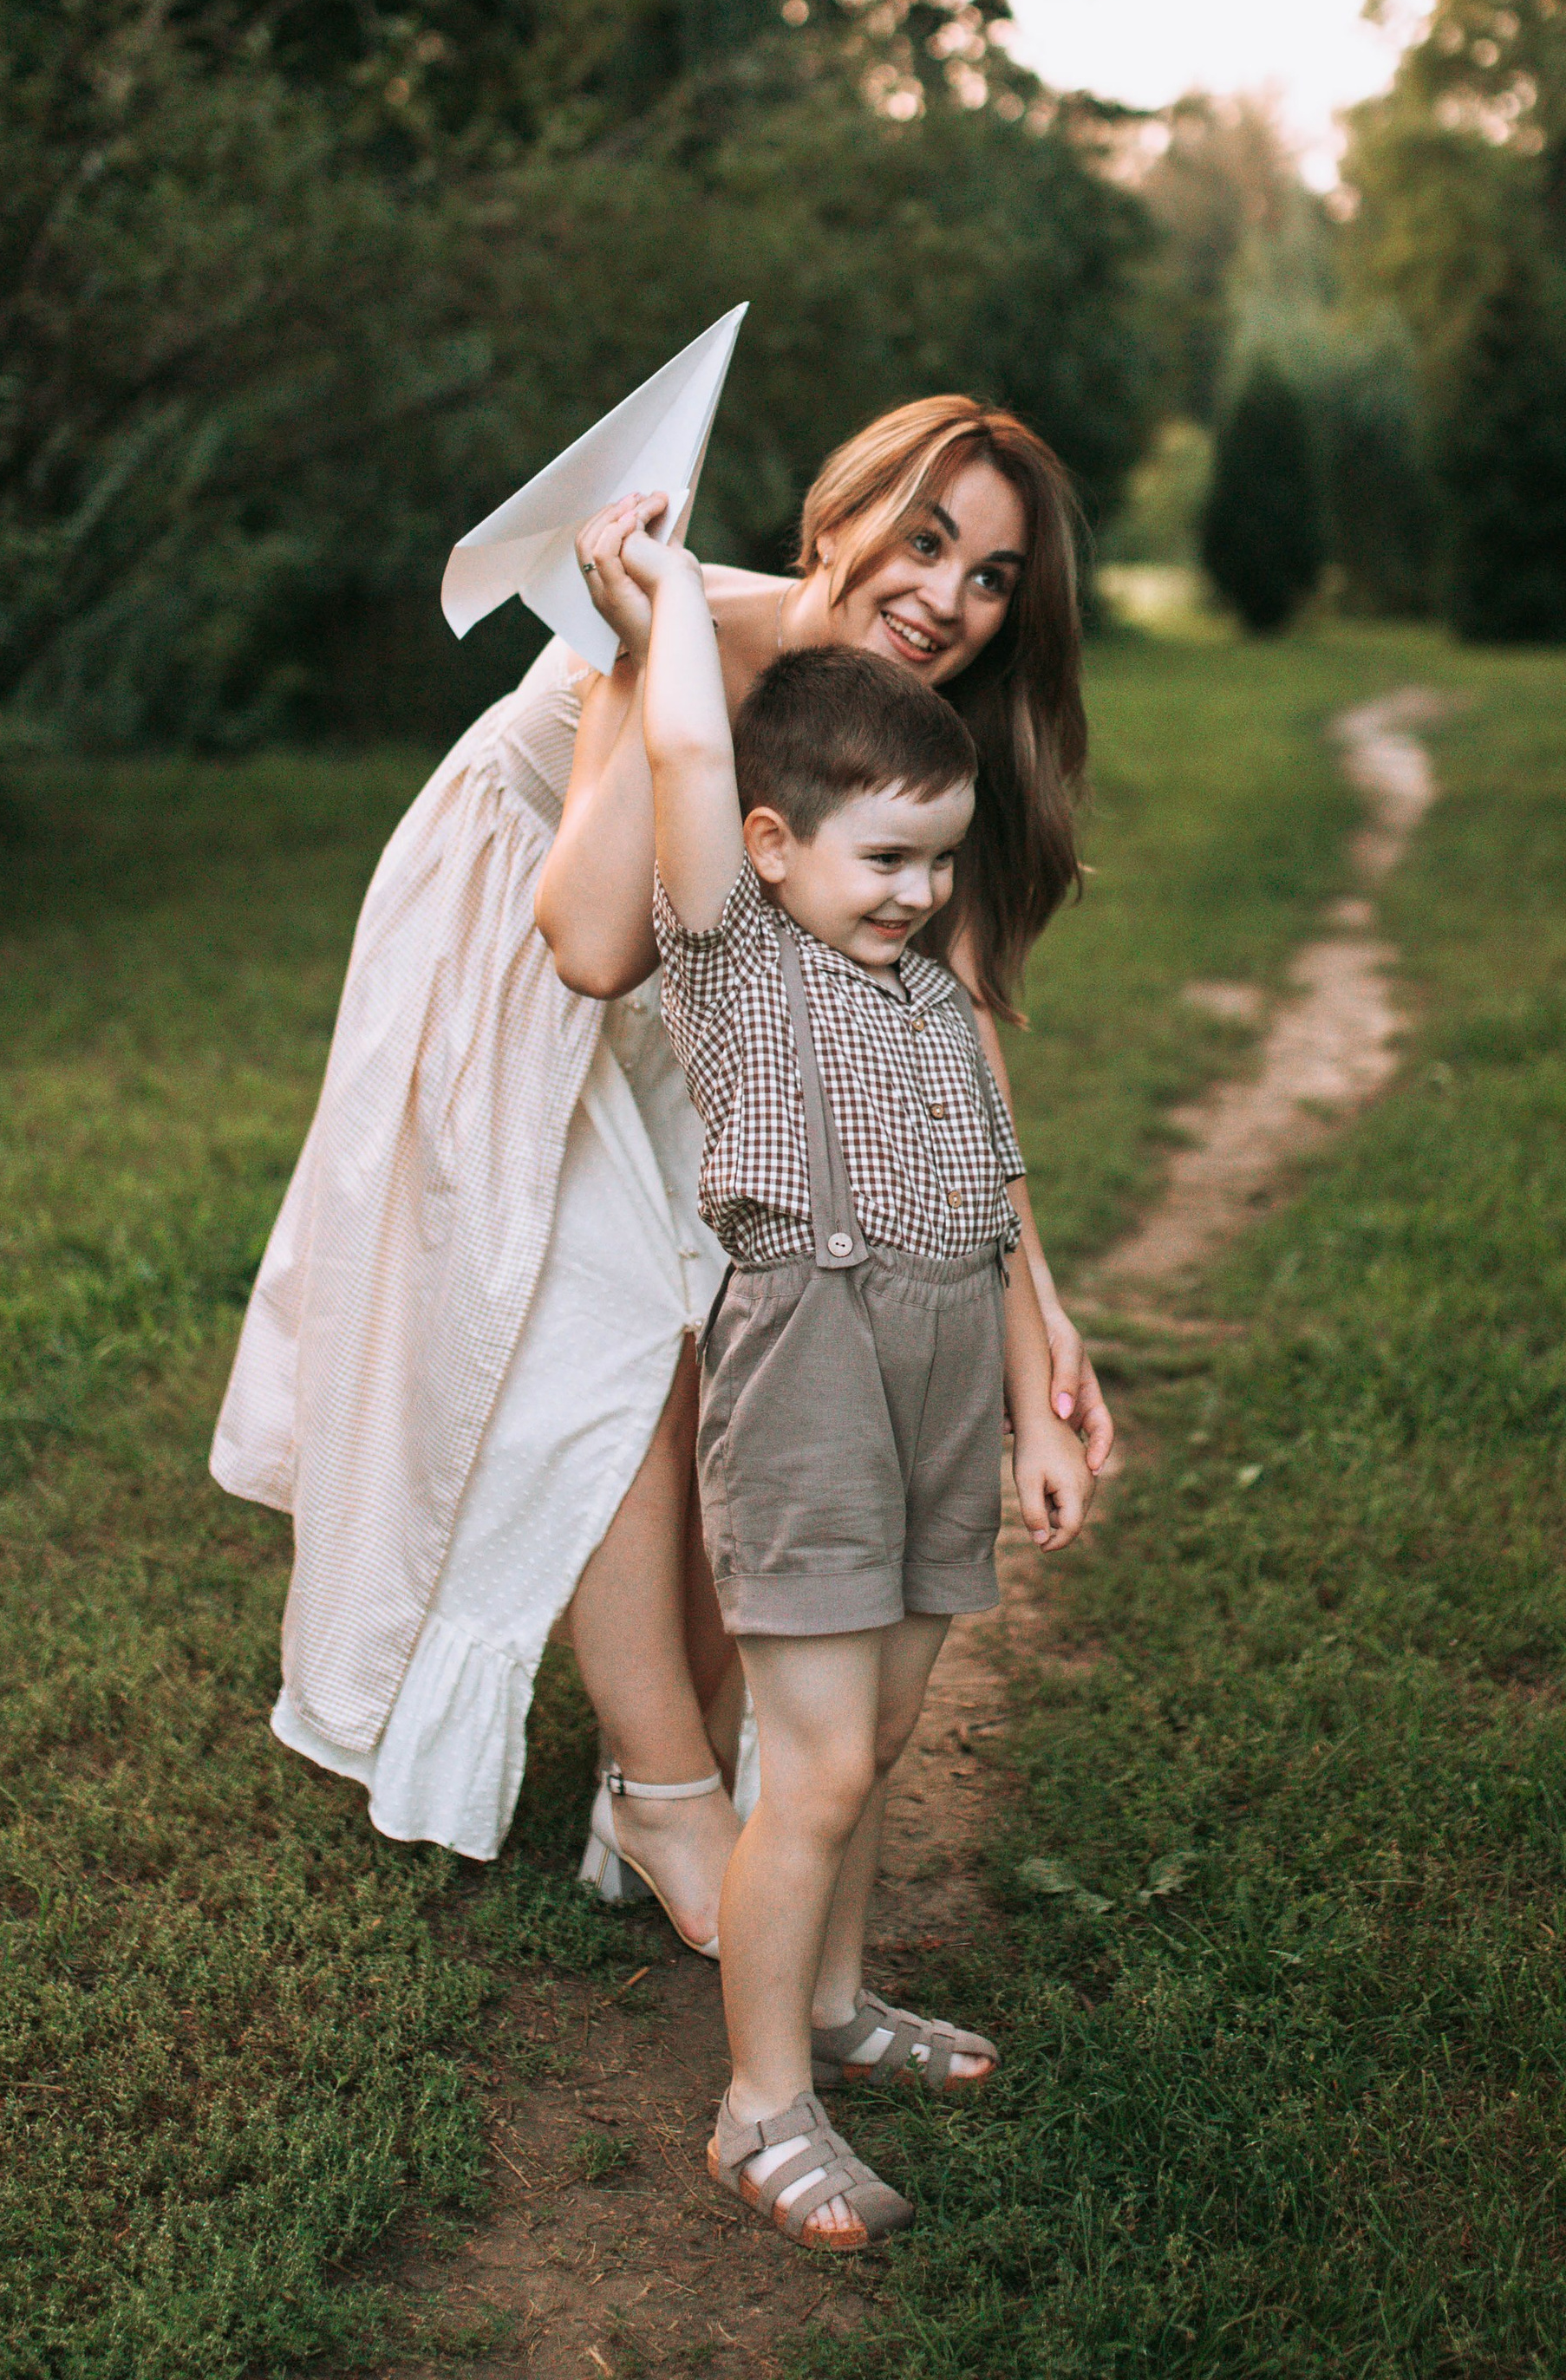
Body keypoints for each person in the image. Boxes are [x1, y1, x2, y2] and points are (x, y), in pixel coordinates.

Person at [211, 396, 1112, 1948]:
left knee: (730, 1324)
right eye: (926, 538)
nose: (947, 602)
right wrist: (637, 649)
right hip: (513, 942)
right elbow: (592, 943)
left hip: (701, 995)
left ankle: (708, 1737)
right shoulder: (672, 619)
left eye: (991, 580)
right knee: (615, 1329)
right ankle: (663, 1793)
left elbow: (947, 1041)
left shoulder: (905, 732)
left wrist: (1039, 1305)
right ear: (839, 514)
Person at [622, 518, 1092, 2248]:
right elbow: (683, 742)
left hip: (937, 1353)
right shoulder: (738, 963)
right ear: (774, 845)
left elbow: (991, 1192)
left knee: (877, 1733)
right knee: (810, 1763)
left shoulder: (912, 991)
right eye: (883, 857)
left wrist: (1030, 1393)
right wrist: (663, 601)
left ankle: (832, 2007)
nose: (911, 893)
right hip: (809, 1363)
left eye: (935, 862)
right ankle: (759, 2109)